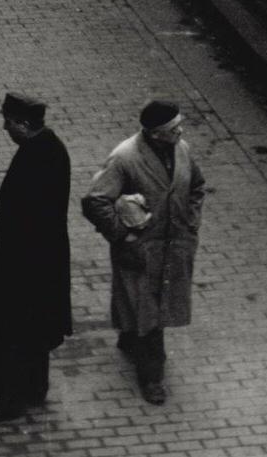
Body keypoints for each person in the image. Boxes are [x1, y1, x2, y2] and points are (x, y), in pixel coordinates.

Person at [81, 100, 206, 405]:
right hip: (140, 249)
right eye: (174, 128)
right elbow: (95, 201)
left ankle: (128, 336)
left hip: (174, 245)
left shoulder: (182, 149)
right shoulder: (124, 158)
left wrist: (190, 222)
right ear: (155, 134)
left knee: (147, 306)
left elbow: (197, 187)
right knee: (150, 313)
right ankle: (152, 378)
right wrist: (123, 236)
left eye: (180, 125)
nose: (181, 131)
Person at [0, 93, 72, 426]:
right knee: (34, 331)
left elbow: (30, 216)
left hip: (21, 263)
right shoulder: (52, 148)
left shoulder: (34, 156)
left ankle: (1, 403)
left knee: (8, 333)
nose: (4, 127)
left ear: (23, 124)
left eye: (8, 121)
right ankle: (33, 387)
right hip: (45, 261)